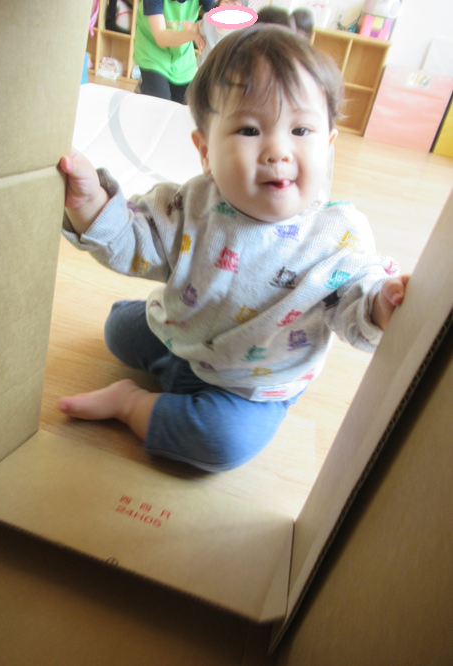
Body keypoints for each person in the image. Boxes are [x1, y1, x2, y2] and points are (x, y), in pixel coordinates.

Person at [58, 25, 408, 472]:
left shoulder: (337, 235)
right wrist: (91, 204)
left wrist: (382, 305)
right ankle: (156, 338)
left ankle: (130, 403)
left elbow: (359, 295)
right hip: (181, 337)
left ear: (329, 145)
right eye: (249, 129)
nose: (278, 151)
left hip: (251, 387)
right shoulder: (190, 203)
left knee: (224, 442)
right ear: (205, 150)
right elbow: (133, 241)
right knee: (115, 332)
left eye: (301, 129)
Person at [134, 0, 214, 103]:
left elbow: (217, 21)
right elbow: (161, 37)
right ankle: (146, 84)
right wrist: (194, 32)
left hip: (182, 57)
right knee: (161, 104)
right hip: (152, 53)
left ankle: (146, 86)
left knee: (189, 108)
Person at [182, 0, 248, 68]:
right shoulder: (209, 20)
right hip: (202, 67)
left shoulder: (240, 33)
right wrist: (191, 26)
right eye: (226, 2)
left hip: (222, 71)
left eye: (235, 5)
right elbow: (197, 28)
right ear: (219, 3)